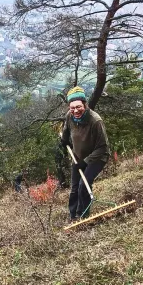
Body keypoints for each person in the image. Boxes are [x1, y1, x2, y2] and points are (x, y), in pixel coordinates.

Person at [60, 86, 110, 221]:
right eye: (72, 108)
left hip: (97, 157)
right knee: (75, 188)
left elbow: (103, 147)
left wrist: (85, 162)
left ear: (85, 104)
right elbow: (66, 130)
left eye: (78, 107)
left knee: (84, 185)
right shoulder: (69, 116)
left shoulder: (95, 121)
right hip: (78, 157)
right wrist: (64, 140)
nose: (75, 110)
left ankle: (84, 215)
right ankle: (73, 216)